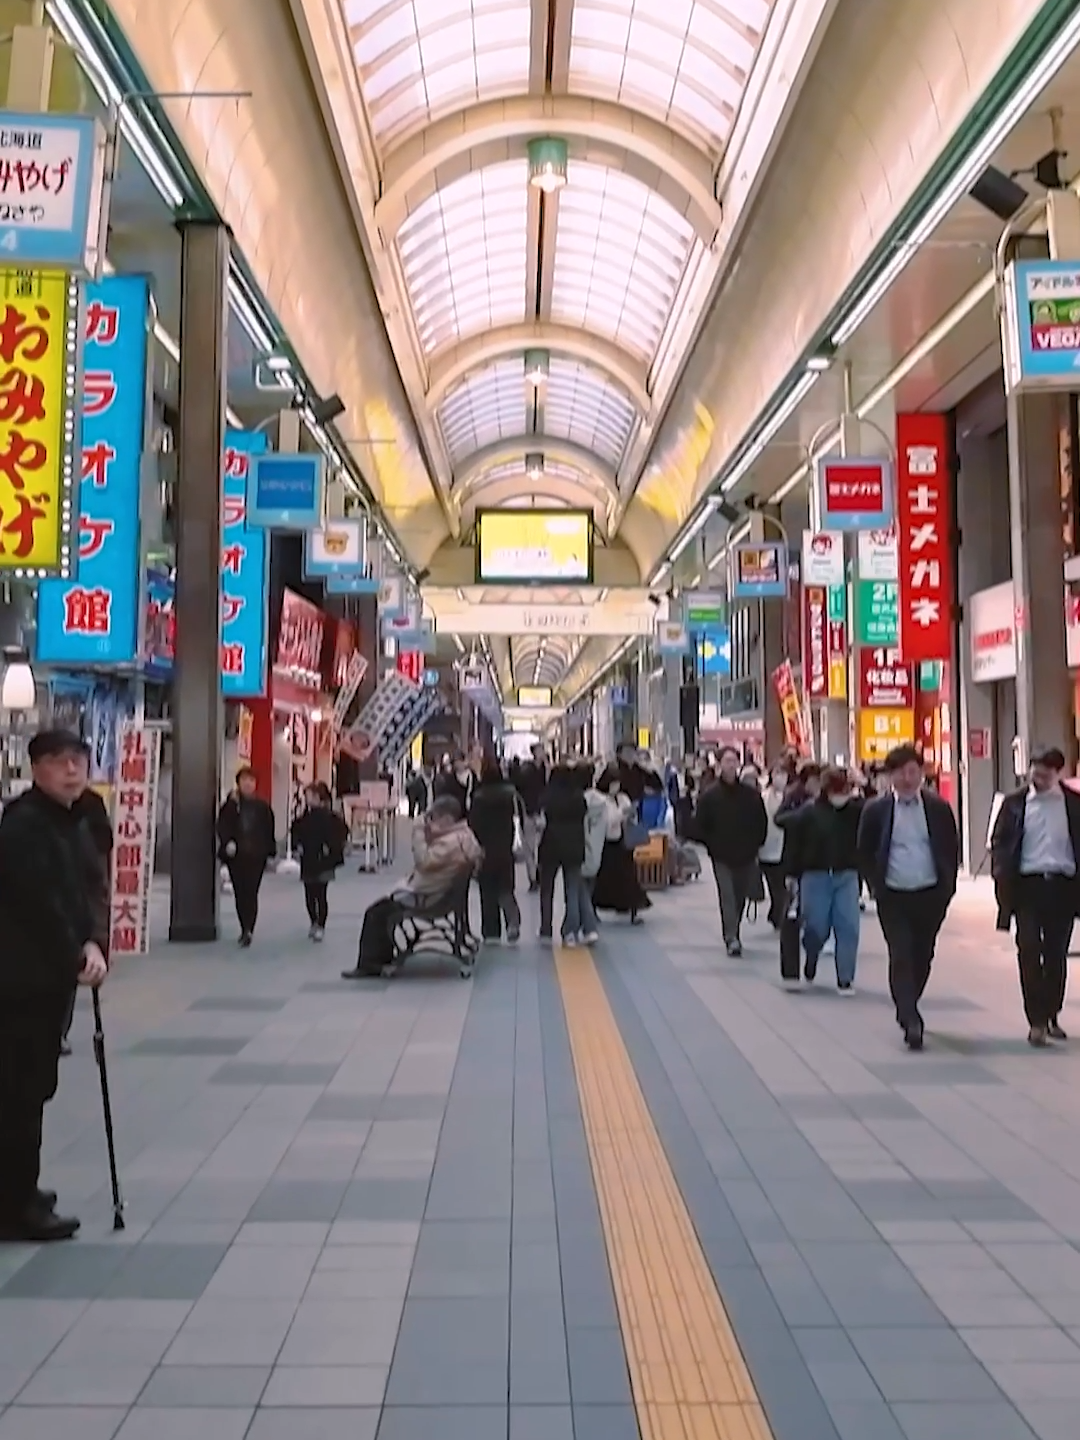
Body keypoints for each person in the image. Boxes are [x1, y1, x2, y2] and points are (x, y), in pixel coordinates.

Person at [0, 730, 109, 1242]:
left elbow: (83, 891)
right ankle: (15, 1205)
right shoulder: (24, 827)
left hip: (48, 979)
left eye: (79, 761)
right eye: (60, 762)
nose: (73, 770)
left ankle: (20, 1188)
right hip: (21, 983)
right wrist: (76, 950)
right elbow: (41, 904)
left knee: (34, 1089)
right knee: (19, 1093)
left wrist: (93, 940)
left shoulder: (72, 822)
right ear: (36, 767)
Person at [857, 743, 959, 1050]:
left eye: (913, 771)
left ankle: (909, 1000)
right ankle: (910, 1017)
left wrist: (947, 888)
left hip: (929, 891)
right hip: (894, 893)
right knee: (900, 953)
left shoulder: (938, 808)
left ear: (922, 773)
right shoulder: (876, 810)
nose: (907, 778)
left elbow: (950, 848)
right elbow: (864, 850)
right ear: (889, 777)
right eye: (900, 772)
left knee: (923, 954)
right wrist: (875, 885)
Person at [990, 745, 1080, 1047]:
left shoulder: (1074, 805)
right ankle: (1036, 1021)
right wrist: (1002, 876)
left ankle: (1051, 1012)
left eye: (1044, 773)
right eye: (1034, 771)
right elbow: (1001, 841)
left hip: (1062, 887)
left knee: (1055, 954)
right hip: (1027, 886)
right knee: (1028, 949)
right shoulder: (1015, 804)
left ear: (1058, 773)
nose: (1037, 778)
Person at [343, 796, 482, 978]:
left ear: (447, 819)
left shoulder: (451, 842)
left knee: (375, 913)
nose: (432, 822)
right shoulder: (464, 836)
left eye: (436, 817)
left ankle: (371, 964)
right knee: (382, 909)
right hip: (440, 893)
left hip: (426, 897)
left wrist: (418, 831)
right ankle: (380, 959)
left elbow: (424, 861)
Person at [779, 766, 863, 992]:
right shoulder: (809, 812)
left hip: (846, 875)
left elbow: (878, 808)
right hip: (814, 876)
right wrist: (791, 873)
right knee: (816, 927)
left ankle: (845, 978)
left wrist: (863, 783)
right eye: (837, 790)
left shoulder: (855, 811)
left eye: (845, 790)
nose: (842, 796)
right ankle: (812, 954)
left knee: (848, 927)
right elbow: (791, 837)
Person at [60, 757, 114, 1054]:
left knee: (67, 968)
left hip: (78, 895)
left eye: (75, 766)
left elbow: (105, 840)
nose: (69, 774)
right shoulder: (28, 816)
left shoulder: (91, 804)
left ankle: (59, 1031)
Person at [694, 746, 768, 956]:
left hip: (746, 854)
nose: (731, 765)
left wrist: (756, 845)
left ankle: (734, 929)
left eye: (734, 761)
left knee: (740, 895)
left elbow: (760, 822)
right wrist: (711, 845)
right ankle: (731, 937)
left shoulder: (750, 795)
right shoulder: (710, 796)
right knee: (726, 895)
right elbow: (701, 824)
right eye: (727, 761)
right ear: (718, 765)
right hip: (721, 855)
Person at [216, 767, 277, 946]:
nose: (248, 784)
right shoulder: (230, 805)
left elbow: (268, 830)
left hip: (256, 855)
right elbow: (223, 826)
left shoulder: (262, 807)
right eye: (244, 780)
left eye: (251, 780)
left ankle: (248, 928)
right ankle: (244, 926)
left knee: (251, 892)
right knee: (240, 892)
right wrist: (228, 842)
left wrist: (270, 851)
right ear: (238, 783)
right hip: (237, 856)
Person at [468, 755, 522, 943]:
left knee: (487, 891)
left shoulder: (479, 797)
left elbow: (473, 824)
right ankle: (512, 920)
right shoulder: (510, 793)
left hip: (485, 850)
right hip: (505, 848)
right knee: (506, 888)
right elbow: (518, 817)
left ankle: (491, 931)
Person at [591, 768, 650, 923]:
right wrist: (622, 813)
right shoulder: (601, 800)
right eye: (613, 783)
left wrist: (629, 813)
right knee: (604, 879)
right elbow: (609, 822)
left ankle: (633, 910)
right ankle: (594, 908)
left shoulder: (622, 798)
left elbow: (630, 814)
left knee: (629, 877)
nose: (616, 787)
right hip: (608, 843)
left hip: (623, 842)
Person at [290, 783, 348, 940]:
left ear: (317, 797)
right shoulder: (305, 817)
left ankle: (319, 924)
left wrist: (332, 848)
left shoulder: (330, 817)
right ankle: (314, 922)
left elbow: (341, 834)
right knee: (311, 894)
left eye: (309, 795)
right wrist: (298, 846)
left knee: (320, 894)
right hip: (309, 860)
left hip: (323, 860)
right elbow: (296, 832)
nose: (306, 798)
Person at [538, 763, 588, 944]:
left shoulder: (548, 797)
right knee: (572, 890)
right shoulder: (578, 797)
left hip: (551, 846)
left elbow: (541, 819)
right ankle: (570, 932)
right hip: (574, 847)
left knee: (546, 890)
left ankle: (545, 928)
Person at [760, 762, 792, 929]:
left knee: (781, 886)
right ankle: (777, 914)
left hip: (785, 848)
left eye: (783, 773)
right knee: (776, 887)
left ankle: (777, 914)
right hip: (767, 847)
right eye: (777, 773)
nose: (781, 777)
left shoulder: (790, 796)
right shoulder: (765, 796)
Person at [513, 743, 547, 891]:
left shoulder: (544, 769)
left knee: (540, 846)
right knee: (529, 847)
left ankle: (537, 875)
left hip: (541, 812)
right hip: (529, 812)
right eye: (540, 750)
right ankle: (533, 878)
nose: (543, 753)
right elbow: (518, 788)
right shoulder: (527, 770)